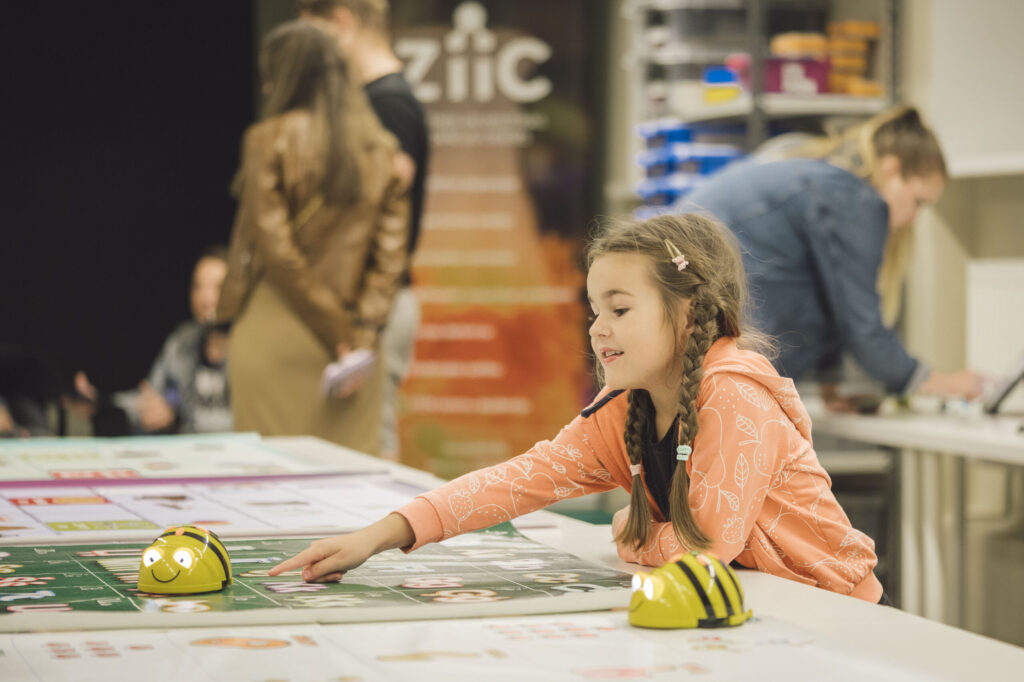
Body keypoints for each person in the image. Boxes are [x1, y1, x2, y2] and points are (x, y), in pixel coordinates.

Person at [269, 214, 886, 603]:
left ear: (690, 310)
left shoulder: (735, 395)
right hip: (744, 609)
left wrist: (630, 534)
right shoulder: (626, 410)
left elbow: (705, 551)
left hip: (831, 613)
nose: (598, 328)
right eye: (594, 310)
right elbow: (516, 481)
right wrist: (377, 536)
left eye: (620, 309)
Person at [683, 106, 983, 403]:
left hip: (678, 299)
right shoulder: (857, 200)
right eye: (918, 201)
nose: (915, 218)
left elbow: (825, 296)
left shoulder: (823, 178)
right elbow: (863, 327)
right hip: (699, 311)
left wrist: (830, 382)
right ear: (892, 170)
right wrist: (936, 381)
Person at [216, 20, 409, 454]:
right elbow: (389, 261)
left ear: (283, 75)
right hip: (355, 350)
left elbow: (276, 250)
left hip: (276, 326)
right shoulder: (383, 149)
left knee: (272, 484)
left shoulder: (266, 139)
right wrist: (358, 334)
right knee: (352, 484)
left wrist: (336, 330)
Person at [299, 0, 430, 460]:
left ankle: (384, 535)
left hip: (375, 303)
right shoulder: (376, 99)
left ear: (341, 23)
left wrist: (364, 318)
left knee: (369, 447)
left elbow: (383, 215)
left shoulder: (388, 103)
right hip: (367, 303)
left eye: (311, 33)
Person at [75, 247, 233, 435]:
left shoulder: (252, 349)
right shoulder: (183, 341)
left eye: (218, 287)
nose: (205, 298)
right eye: (197, 286)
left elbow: (250, 419)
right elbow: (151, 396)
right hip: (186, 454)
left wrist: (177, 419)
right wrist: (102, 402)